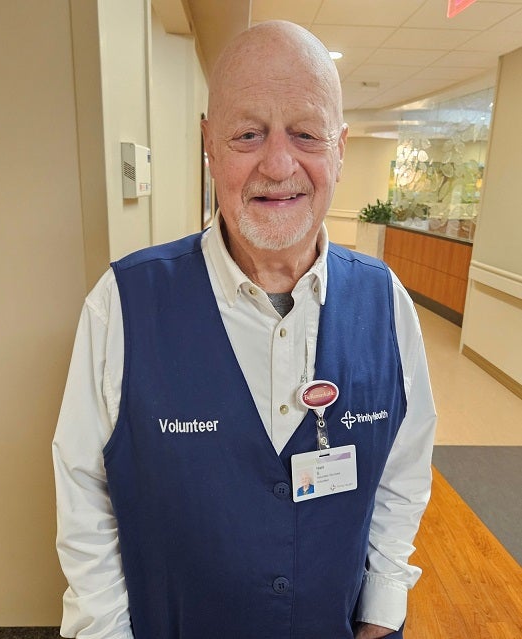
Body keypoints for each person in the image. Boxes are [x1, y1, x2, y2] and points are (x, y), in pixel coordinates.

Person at [53, 20, 436, 639]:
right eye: (248, 134)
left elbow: (402, 470)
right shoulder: (122, 305)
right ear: (209, 143)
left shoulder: (386, 301)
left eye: (306, 133)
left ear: (339, 147)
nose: (279, 164)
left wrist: (382, 608)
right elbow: (84, 499)